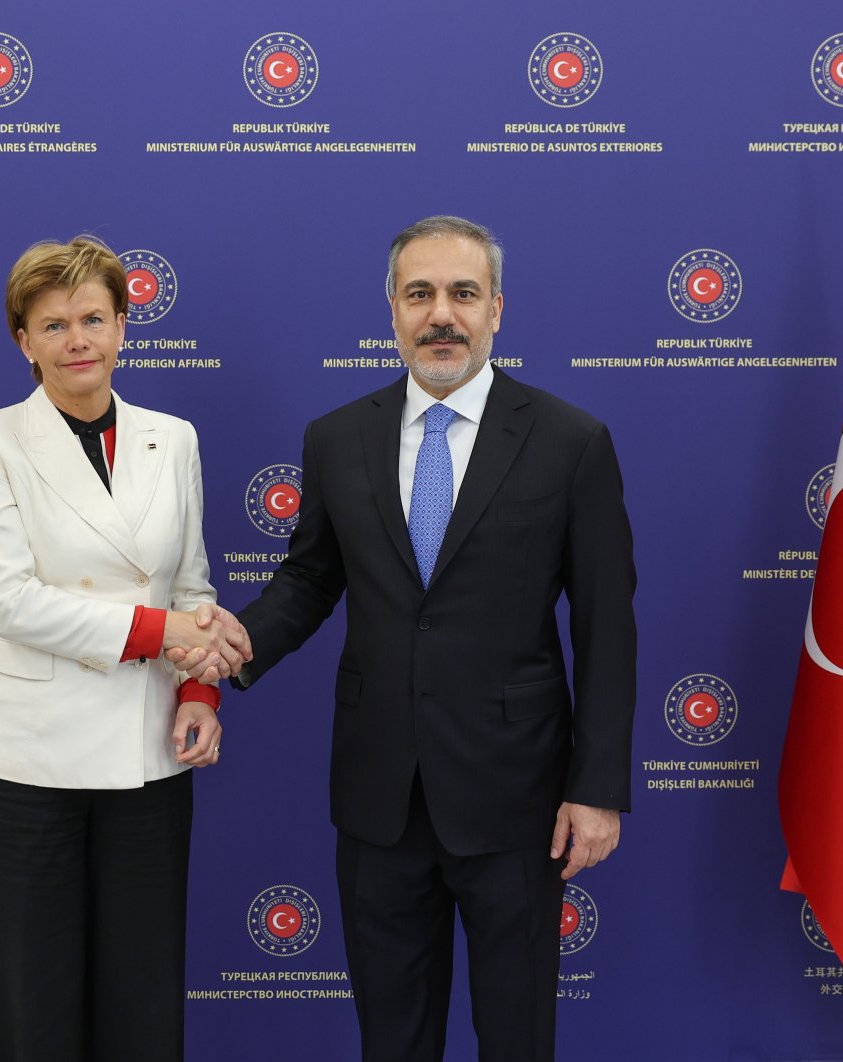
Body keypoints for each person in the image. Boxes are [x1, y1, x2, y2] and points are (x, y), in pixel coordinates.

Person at [191, 215, 636, 1060]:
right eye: (420, 293)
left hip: (519, 800)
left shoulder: (571, 442)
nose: (442, 314)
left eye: (463, 293)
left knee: (516, 1038)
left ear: (496, 308)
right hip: (379, 797)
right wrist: (232, 645)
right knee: (391, 1041)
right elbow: (311, 578)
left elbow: (607, 625)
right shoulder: (336, 438)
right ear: (391, 309)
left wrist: (598, 785)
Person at [0, 236, 248, 1062]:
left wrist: (200, 694)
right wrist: (160, 634)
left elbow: (192, 583)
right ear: (24, 341)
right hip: (29, 760)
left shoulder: (173, 437)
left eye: (92, 318)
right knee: (28, 999)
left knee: (140, 996)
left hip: (147, 751)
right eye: (53, 325)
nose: (76, 339)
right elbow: (9, 601)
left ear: (123, 326)